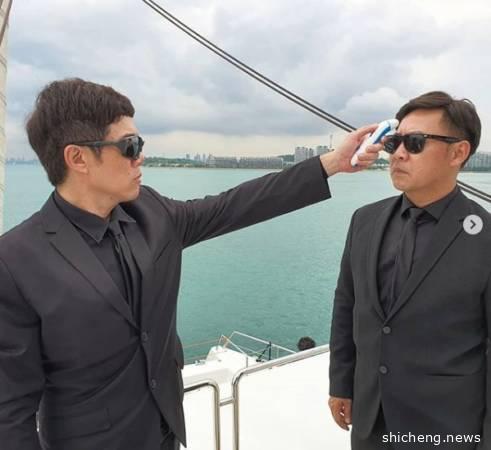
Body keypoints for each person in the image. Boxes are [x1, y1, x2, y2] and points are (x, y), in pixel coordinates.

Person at [0, 78, 381, 450]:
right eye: (130, 145)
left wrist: (332, 162)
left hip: (167, 429)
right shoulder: (16, 260)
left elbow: (233, 205)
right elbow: (10, 408)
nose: (140, 156)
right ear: (77, 158)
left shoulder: (150, 213)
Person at [328, 91, 491, 450]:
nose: (398, 154)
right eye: (394, 142)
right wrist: (341, 383)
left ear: (458, 152)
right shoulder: (364, 221)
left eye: (415, 143)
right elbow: (347, 306)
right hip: (370, 421)